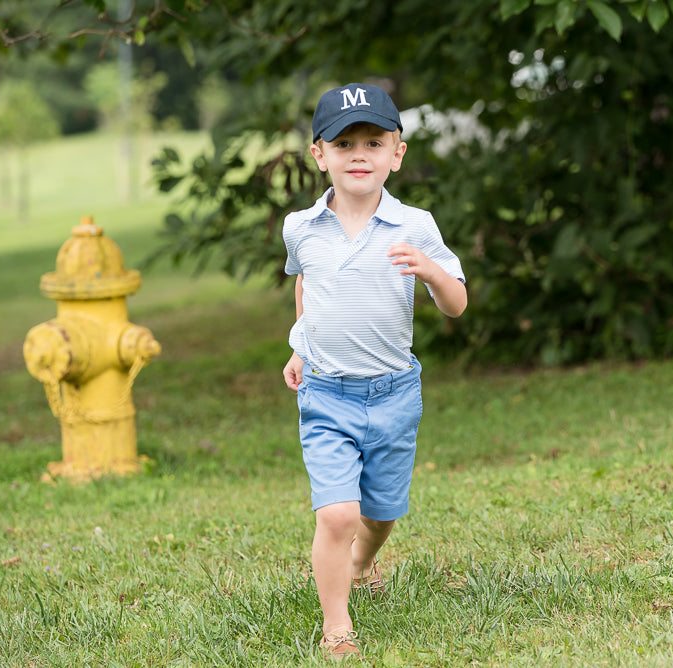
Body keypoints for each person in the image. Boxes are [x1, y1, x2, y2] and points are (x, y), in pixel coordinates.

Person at [281, 82, 467, 660]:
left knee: (380, 513)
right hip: (327, 392)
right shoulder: (301, 227)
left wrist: (432, 272)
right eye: (344, 143)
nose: (359, 154)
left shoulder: (416, 225)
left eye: (373, 142)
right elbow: (308, 284)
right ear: (320, 154)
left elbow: (457, 303)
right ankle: (337, 628)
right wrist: (300, 347)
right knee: (338, 513)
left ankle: (363, 562)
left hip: (393, 392)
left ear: (397, 153)